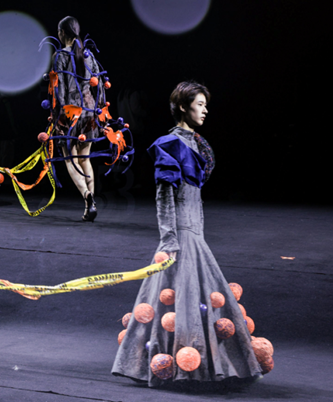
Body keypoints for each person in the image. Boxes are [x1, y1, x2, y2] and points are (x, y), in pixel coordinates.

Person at [112, 81, 262, 387]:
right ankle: (183, 366)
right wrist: (170, 239)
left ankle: (195, 363)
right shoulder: (170, 144)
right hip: (181, 233)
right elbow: (164, 197)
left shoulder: (195, 144)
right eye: (200, 104)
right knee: (179, 297)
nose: (205, 110)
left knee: (192, 298)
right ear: (183, 106)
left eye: (206, 105)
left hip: (195, 233)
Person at [53, 16, 106, 222]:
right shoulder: (88, 54)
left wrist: (59, 117)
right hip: (90, 111)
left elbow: (60, 89)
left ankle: (86, 195)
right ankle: (89, 206)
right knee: (85, 159)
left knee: (70, 160)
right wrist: (100, 109)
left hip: (70, 111)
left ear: (62, 33)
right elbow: (98, 84)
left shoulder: (60, 56)